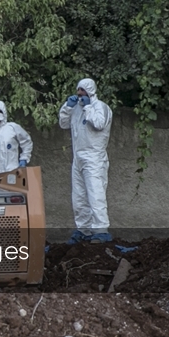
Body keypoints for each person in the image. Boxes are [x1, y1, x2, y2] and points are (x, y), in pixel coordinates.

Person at [59, 78, 113, 244]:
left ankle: (101, 229)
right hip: (78, 157)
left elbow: (98, 123)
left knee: (95, 193)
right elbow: (63, 124)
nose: (79, 94)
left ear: (90, 91)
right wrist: (67, 107)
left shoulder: (100, 107)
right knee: (79, 196)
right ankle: (84, 229)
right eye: (78, 90)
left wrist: (88, 106)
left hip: (94, 157)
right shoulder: (76, 108)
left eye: (82, 91)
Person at [0, 100, 34, 175]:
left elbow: (27, 142)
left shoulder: (12, 128)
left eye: (0, 111)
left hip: (11, 172)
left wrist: (24, 158)